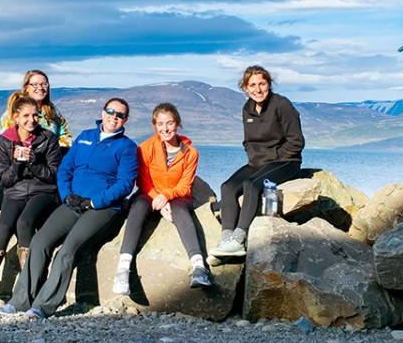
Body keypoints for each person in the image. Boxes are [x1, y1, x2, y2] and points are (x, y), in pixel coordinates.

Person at [0, 98, 137, 320]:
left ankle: (44, 306)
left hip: (102, 208)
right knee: (40, 241)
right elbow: (65, 169)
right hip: (73, 203)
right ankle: (19, 300)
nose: (114, 117)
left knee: (67, 250)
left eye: (120, 115)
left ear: (125, 120)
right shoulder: (85, 137)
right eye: (111, 111)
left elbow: (125, 184)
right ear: (103, 112)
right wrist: (66, 195)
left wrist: (95, 202)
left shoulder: (127, 147)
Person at [113, 102, 212, 295]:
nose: (165, 129)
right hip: (149, 194)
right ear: (154, 126)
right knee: (139, 206)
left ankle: (199, 267)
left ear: (177, 124)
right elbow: (143, 182)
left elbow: (185, 185)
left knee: (181, 210)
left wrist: (166, 197)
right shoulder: (145, 149)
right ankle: (123, 269)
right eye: (160, 124)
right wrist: (158, 202)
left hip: (176, 195)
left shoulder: (191, 153)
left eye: (169, 123)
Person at [210, 65, 305, 257]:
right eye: (252, 85)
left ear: (269, 85)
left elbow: (297, 141)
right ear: (245, 88)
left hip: (286, 161)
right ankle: (226, 238)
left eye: (262, 84)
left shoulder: (282, 105)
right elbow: (248, 141)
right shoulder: (248, 108)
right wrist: (255, 157)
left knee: (251, 185)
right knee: (227, 187)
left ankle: (239, 239)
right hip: (258, 162)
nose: (258, 89)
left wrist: (276, 157)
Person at [0, 96, 62, 306]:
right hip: (15, 192)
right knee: (5, 226)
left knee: (25, 222)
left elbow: (53, 175)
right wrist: (17, 162)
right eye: (26, 116)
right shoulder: (5, 140)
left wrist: (34, 162)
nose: (32, 120)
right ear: (15, 117)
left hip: (42, 191)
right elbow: (5, 178)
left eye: (35, 115)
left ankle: (29, 285)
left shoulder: (49, 138)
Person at [0, 69, 72, 148]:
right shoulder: (12, 113)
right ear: (26, 88)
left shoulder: (52, 111)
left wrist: (58, 151)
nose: (40, 88)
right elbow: (6, 143)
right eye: (35, 85)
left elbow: (65, 135)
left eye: (44, 84)